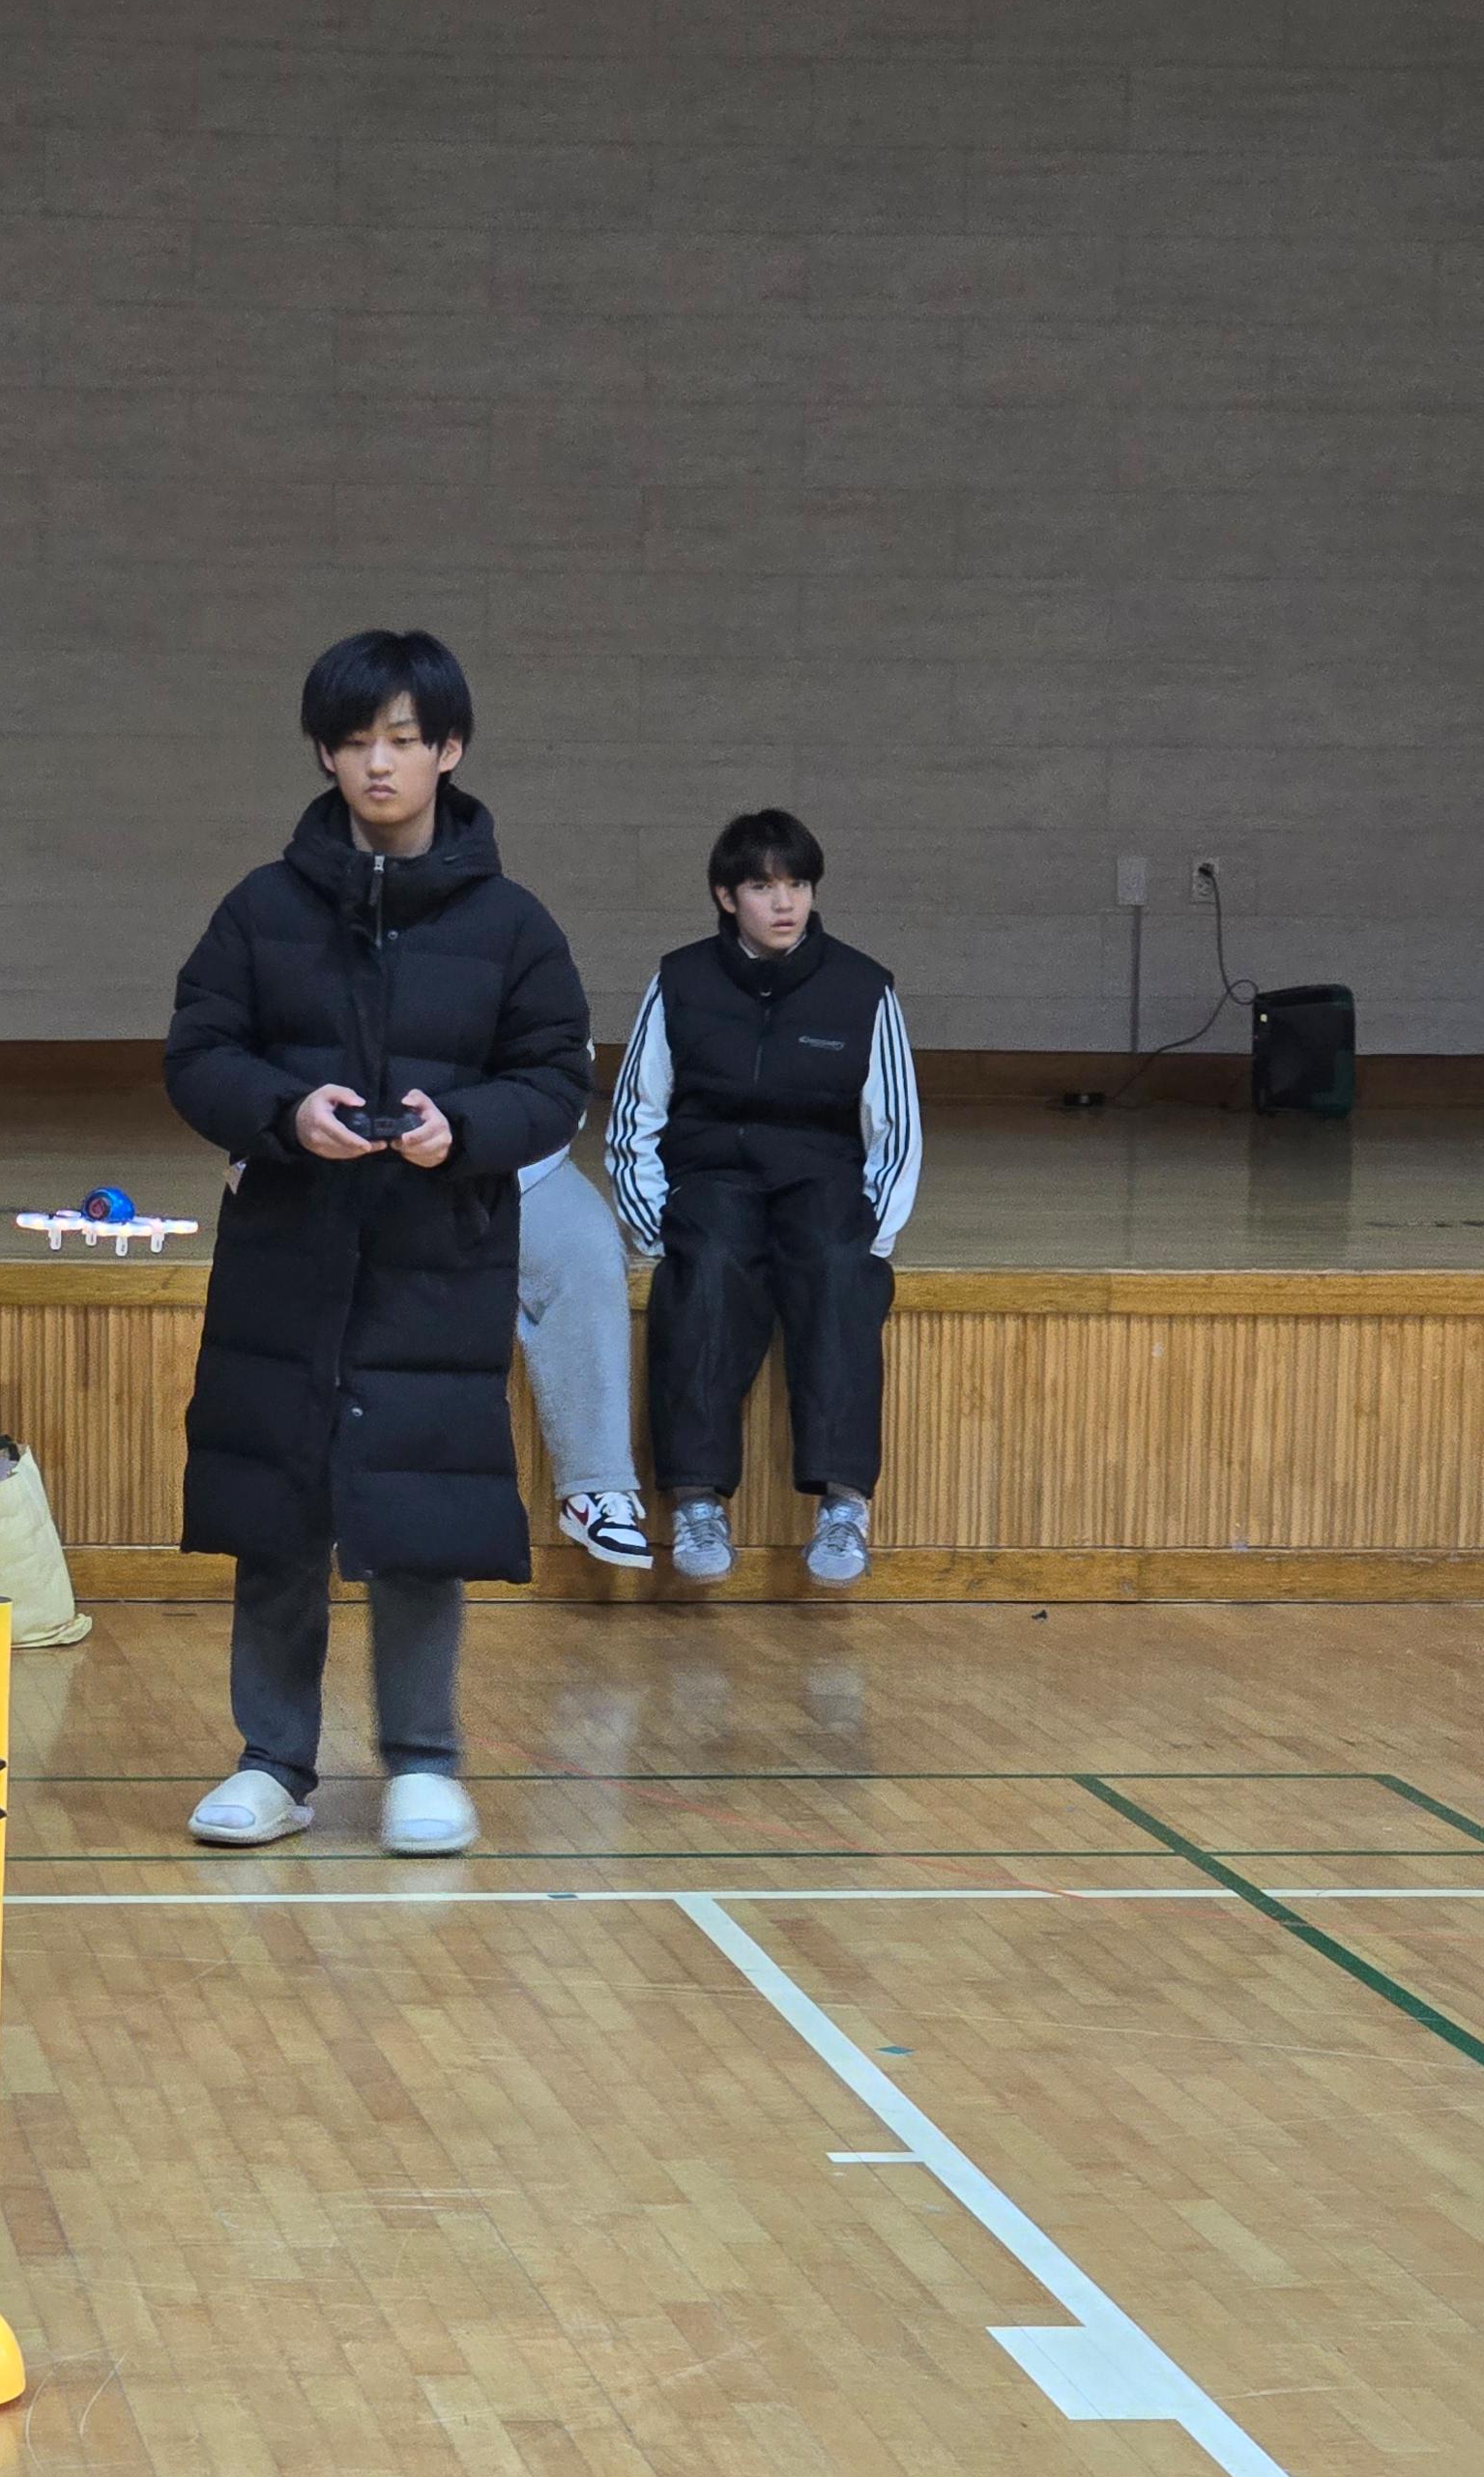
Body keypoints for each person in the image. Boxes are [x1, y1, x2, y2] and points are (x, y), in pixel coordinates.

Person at [164, 627, 592, 1856]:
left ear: (449, 750)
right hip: (289, 1257)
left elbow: (554, 1078)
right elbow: (198, 1053)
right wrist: (284, 1113)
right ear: (326, 754)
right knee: (278, 1510)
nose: (378, 765)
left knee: (419, 1515)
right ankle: (272, 1761)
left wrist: (459, 1128)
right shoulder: (261, 906)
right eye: (355, 742)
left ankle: (421, 1760)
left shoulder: (513, 924)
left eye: (402, 740)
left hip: (434, 1260)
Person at [605, 807, 921, 1587]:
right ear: (725, 896)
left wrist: (871, 1233)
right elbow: (634, 1115)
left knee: (839, 1271)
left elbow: (898, 1127)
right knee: (705, 1269)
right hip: (712, 1179)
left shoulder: (862, 986)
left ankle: (845, 1509)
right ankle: (696, 1503)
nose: (784, 904)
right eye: (763, 886)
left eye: (799, 885)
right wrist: (653, 1228)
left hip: (822, 1182)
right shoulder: (678, 981)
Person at [519, 1146, 652, 1571]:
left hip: (521, 1164)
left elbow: (556, 1085)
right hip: (372, 1161)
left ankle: (595, 1485)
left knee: (589, 1250)